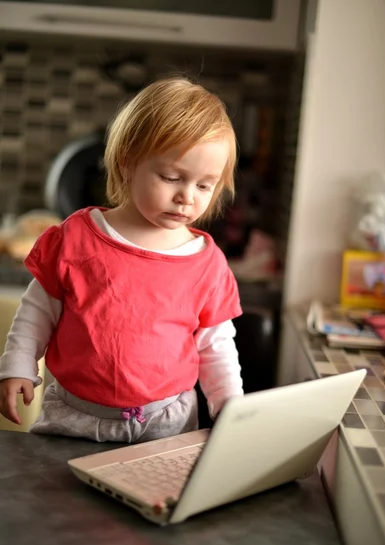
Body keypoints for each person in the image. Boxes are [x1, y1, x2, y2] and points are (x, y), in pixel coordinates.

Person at [0, 77, 243, 443]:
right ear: (127, 162)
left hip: (166, 423)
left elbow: (216, 346)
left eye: (204, 185)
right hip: (73, 417)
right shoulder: (76, 237)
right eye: (171, 177)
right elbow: (36, 310)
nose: (186, 197)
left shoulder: (207, 264)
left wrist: (231, 406)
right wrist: (16, 365)